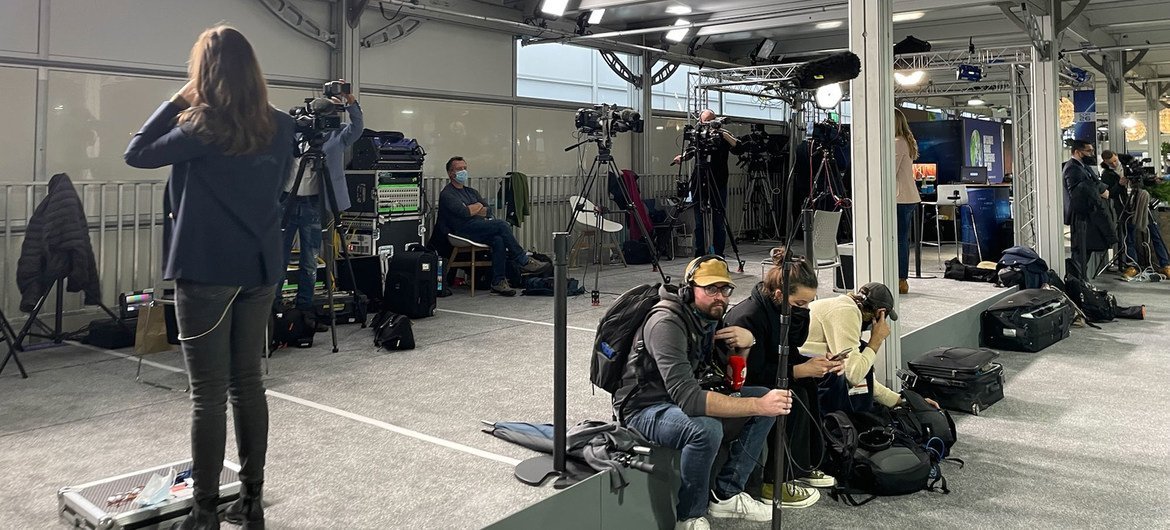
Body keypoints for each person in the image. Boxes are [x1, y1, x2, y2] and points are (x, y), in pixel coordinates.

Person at [124, 25, 295, 530]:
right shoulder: (281, 126)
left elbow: (136, 151)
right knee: (249, 385)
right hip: (262, 266)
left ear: (206, 73)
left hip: (207, 270)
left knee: (208, 395)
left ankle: (203, 514)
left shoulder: (200, 125)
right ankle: (252, 502)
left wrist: (177, 96)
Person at [614, 256, 792, 530]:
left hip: (678, 399)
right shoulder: (665, 324)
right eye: (710, 289)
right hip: (643, 408)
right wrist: (757, 405)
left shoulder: (707, 317)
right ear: (688, 289)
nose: (719, 297)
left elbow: (728, 382)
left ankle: (726, 495)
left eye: (725, 289)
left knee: (765, 397)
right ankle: (690, 516)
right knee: (706, 429)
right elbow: (691, 399)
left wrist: (746, 346)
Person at [723, 248, 832, 508]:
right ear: (781, 295)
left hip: (766, 373)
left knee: (808, 387)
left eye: (809, 304)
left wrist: (808, 365)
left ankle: (800, 466)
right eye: (800, 305)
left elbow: (791, 346)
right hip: (742, 384)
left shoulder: (779, 309)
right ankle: (775, 481)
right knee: (790, 397)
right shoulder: (749, 317)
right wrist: (798, 370)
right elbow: (754, 372)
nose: (804, 310)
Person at [278, 86, 363, 329]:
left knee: (309, 260)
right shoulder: (293, 133)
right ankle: (275, 310)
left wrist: (349, 103)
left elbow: (357, 127)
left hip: (314, 204)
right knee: (279, 258)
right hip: (286, 201)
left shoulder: (338, 136)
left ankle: (306, 312)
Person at [802, 283, 938, 412]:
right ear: (880, 313)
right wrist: (876, 340)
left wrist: (902, 400)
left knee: (861, 352)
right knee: (861, 353)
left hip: (809, 367)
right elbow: (854, 375)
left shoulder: (846, 307)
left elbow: (864, 378)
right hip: (806, 371)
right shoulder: (846, 312)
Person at [437, 156, 549, 296]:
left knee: (499, 239)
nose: (463, 171)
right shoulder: (447, 194)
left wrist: (474, 208)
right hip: (460, 231)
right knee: (502, 225)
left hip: (477, 227)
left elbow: (487, 210)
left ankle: (498, 282)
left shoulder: (471, 191)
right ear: (450, 173)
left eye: (465, 168)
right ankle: (523, 259)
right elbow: (464, 212)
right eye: (459, 169)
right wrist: (476, 208)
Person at [672, 110, 744, 258]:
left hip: (718, 181)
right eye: (702, 122)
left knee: (718, 221)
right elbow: (691, 151)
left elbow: (739, 148)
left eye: (708, 122)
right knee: (699, 223)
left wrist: (723, 134)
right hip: (699, 180)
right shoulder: (697, 133)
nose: (705, 125)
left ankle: (718, 255)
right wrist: (683, 157)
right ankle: (700, 255)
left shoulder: (723, 134)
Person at [1063, 140, 1115, 279]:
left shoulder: (1083, 166)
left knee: (1087, 252)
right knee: (1080, 253)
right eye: (1089, 151)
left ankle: (1081, 281)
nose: (1091, 154)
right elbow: (1080, 191)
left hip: (1089, 216)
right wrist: (1099, 190)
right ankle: (1078, 283)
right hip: (1081, 217)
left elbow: (1094, 183)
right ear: (1077, 152)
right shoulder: (1072, 168)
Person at [894, 109, 920, 295]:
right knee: (902, 239)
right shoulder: (906, 141)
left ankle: (901, 279)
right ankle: (901, 279)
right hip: (907, 197)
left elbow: (890, 170)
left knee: (900, 240)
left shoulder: (897, 143)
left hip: (900, 198)